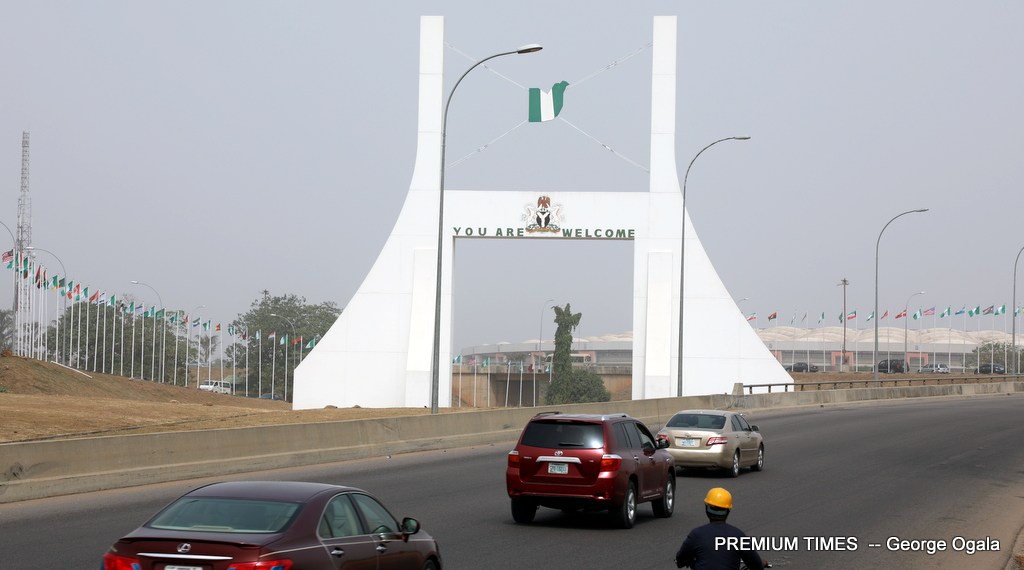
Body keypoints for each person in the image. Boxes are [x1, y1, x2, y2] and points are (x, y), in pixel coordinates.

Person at [675, 487, 768, 569]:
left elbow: (680, 561)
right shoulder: (738, 536)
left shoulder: (696, 535)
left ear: (706, 509)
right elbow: (756, 565)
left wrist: (692, 562)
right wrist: (761, 563)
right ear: (728, 511)